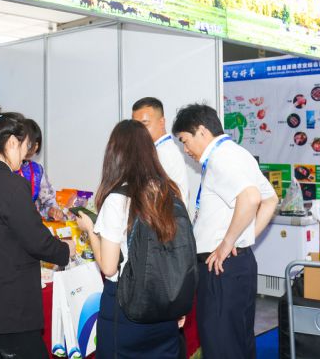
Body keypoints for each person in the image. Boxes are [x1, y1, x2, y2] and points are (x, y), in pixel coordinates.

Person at [0, 108, 73, 359]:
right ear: (11, 143)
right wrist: (66, 249)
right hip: (8, 303)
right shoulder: (12, 184)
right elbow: (35, 239)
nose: (25, 155)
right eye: (24, 147)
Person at [171, 103, 277, 359]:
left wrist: (229, 243)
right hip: (235, 265)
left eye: (185, 141)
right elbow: (270, 199)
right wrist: (242, 240)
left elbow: (251, 198)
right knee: (237, 342)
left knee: (221, 345)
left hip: (220, 269)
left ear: (202, 131)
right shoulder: (237, 152)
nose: (186, 150)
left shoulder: (221, 158)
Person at [76, 119, 185, 358]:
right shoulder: (168, 191)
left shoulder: (118, 199)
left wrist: (90, 230)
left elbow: (109, 267)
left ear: (115, 155)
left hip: (126, 307)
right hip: (165, 303)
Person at [132, 97, 190, 205]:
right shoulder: (159, 150)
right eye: (135, 125)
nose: (138, 130)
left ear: (162, 122)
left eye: (145, 124)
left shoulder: (163, 153)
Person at [18, 118, 63, 221]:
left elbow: (47, 200)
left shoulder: (37, 170)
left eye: (37, 143)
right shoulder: (6, 169)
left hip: (31, 223)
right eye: (31, 143)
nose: (35, 147)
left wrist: (52, 210)